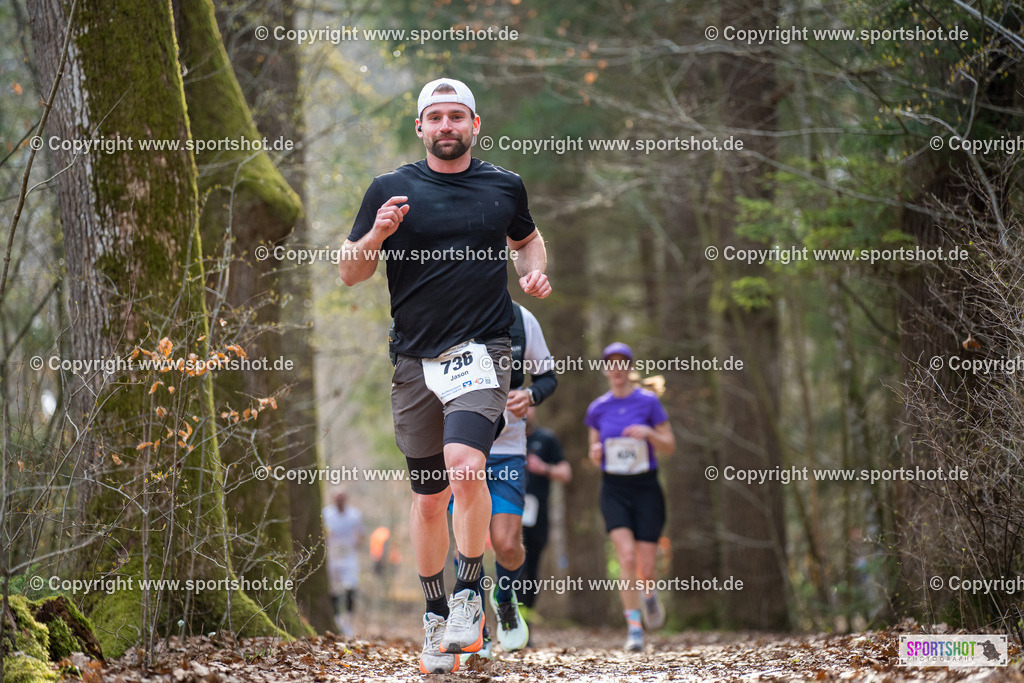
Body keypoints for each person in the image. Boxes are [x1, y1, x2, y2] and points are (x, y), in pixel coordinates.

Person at [339, 76, 551, 674]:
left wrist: (533, 272)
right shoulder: (391, 189)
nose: (447, 127)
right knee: (429, 498)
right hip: (413, 360)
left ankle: (468, 595)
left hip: (480, 352)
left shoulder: (503, 186)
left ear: (475, 125)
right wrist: (378, 233)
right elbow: (350, 273)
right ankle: (435, 616)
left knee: (466, 465)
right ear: (420, 128)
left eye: (457, 116)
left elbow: (529, 242)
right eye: (435, 118)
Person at [453, 302, 557, 660]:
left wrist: (530, 395)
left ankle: (505, 600)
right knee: (468, 546)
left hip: (508, 451)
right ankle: (475, 629)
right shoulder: (452, 312)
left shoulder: (522, 320)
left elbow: (548, 376)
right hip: (463, 450)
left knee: (507, 545)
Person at [585, 342, 675, 652]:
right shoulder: (597, 408)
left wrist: (648, 433)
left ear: (629, 368)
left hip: (646, 488)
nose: (617, 368)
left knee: (646, 568)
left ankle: (649, 595)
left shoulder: (648, 403)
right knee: (625, 556)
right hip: (614, 489)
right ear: (605, 369)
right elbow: (594, 452)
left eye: (623, 362)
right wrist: (596, 453)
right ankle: (634, 629)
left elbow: (669, 445)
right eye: (611, 363)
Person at [520, 406, 571, 619]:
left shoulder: (546, 438)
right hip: (507, 509)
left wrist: (544, 468)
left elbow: (566, 473)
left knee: (531, 567)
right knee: (510, 562)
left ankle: (526, 620)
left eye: (528, 405)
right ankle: (508, 619)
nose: (524, 411)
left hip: (536, 512)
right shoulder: (500, 438)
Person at [322, 491, 364, 637]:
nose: (339, 501)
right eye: (337, 499)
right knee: (333, 589)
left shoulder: (354, 515)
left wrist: (355, 543)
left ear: (346, 499)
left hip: (349, 556)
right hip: (332, 556)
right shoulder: (326, 514)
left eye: (342, 499)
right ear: (333, 499)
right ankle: (335, 619)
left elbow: (360, 534)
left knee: (350, 587)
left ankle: (348, 623)